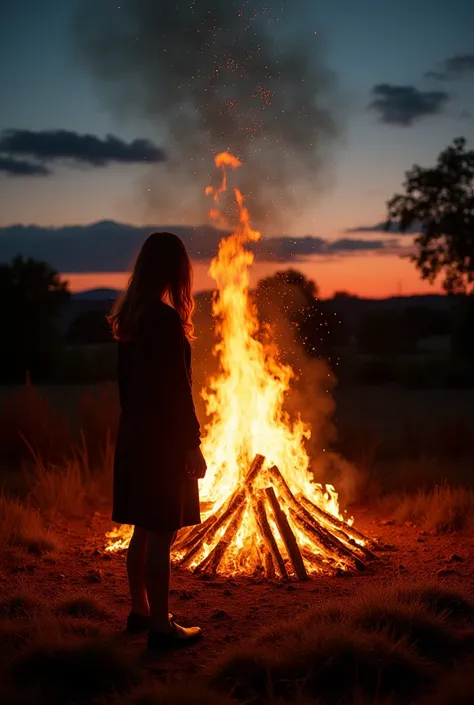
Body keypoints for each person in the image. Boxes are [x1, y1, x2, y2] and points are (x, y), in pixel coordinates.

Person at [109, 232, 207, 651]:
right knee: (161, 534)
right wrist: (192, 442)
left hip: (134, 436)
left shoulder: (129, 317)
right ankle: (161, 631)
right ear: (173, 270)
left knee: (142, 532)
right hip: (161, 441)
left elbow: (129, 389)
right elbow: (177, 390)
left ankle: (141, 612)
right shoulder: (163, 321)